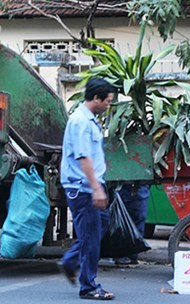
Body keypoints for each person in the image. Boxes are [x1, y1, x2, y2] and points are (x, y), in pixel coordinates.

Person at [59, 77, 116, 300]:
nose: (108, 105)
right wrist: (96, 189)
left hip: (90, 186)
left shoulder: (89, 119)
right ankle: (89, 286)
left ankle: (70, 261)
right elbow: (83, 157)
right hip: (83, 188)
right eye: (107, 101)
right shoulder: (81, 122)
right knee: (91, 236)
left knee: (99, 227)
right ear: (95, 98)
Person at [114, 183, 150, 265]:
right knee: (122, 220)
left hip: (139, 186)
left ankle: (133, 254)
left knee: (138, 217)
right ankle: (121, 253)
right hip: (122, 186)